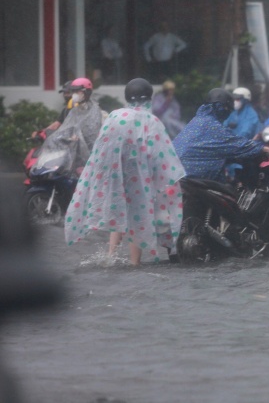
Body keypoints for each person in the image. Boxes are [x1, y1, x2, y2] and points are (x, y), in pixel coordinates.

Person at [64, 78, 185, 266]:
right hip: (140, 177)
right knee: (137, 215)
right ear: (149, 98)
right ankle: (134, 263)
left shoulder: (115, 115)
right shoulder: (151, 121)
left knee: (120, 210)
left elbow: (102, 146)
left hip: (116, 175)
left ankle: (111, 255)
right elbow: (162, 153)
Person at [173, 88, 269, 183]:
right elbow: (233, 142)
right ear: (222, 107)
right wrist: (262, 149)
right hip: (197, 175)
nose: (236, 102)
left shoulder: (198, 120)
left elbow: (239, 134)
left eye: (238, 99)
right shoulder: (213, 126)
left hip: (176, 172)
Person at [33, 77, 105, 176]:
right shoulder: (73, 111)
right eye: (73, 91)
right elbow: (65, 127)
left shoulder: (94, 111)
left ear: (86, 93)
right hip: (73, 152)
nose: (73, 95)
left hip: (89, 156)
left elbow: (93, 132)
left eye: (77, 92)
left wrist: (80, 138)